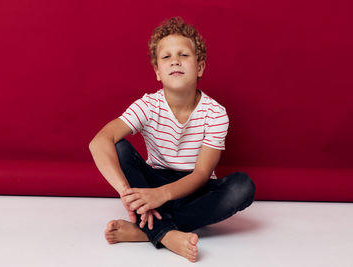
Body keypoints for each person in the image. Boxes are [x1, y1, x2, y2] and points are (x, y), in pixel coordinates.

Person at [89, 16, 256, 262]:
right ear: (158, 72)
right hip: (153, 183)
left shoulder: (215, 113)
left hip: (194, 189)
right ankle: (166, 232)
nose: (175, 60)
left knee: (243, 186)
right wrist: (128, 194)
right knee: (117, 146)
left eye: (184, 55)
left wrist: (163, 196)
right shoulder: (148, 105)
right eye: (166, 57)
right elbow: (99, 141)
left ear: (199, 67)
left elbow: (200, 174)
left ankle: (149, 232)